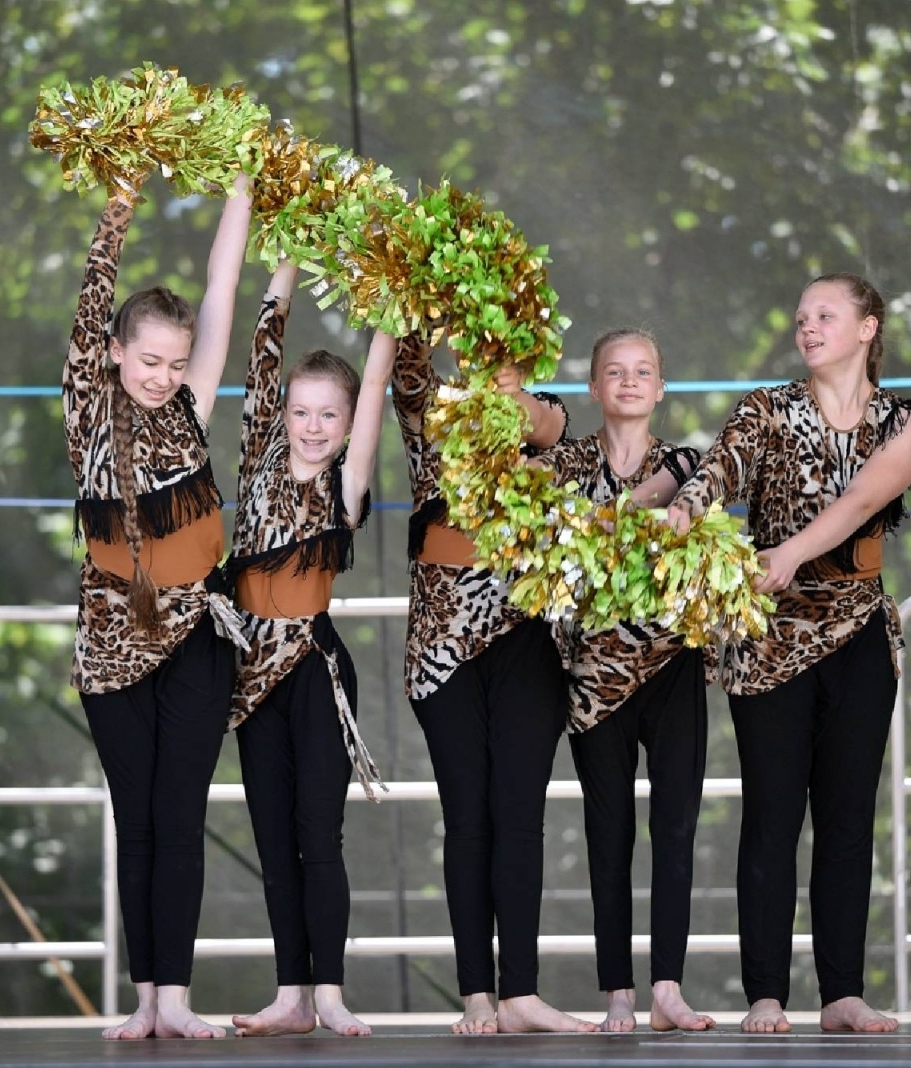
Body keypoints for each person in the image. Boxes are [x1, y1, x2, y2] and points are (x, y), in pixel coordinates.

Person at [667, 273, 911, 1034]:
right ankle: (766, 996)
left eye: (825, 314)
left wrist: (786, 552)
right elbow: (719, 469)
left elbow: (862, 502)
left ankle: (843, 992)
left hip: (857, 631)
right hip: (772, 636)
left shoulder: (906, 419)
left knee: (848, 817)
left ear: (867, 328)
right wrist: (685, 511)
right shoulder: (766, 409)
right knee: (772, 816)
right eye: (800, 317)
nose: (806, 326)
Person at [64, 177, 253, 1040]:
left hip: (196, 638)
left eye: (176, 363)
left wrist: (244, 184)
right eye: (148, 360)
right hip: (111, 640)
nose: (162, 376)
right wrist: (121, 202)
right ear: (111, 351)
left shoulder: (189, 406)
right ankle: (144, 1001)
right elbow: (92, 295)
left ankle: (173, 998)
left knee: (180, 815)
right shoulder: (86, 408)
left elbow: (222, 291)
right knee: (135, 816)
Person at [392, 337, 599, 1035]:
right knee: (468, 819)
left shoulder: (545, 418)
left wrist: (508, 390)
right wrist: (420, 287)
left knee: (519, 816)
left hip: (525, 639)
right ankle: (476, 993)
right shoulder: (429, 410)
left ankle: (521, 993)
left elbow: (550, 424)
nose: (485, 360)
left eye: (502, 350)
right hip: (443, 648)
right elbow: (406, 367)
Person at [224, 260, 397, 1038]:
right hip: (250, 679)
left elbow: (368, 422)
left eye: (331, 414)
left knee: (316, 836)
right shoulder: (257, 457)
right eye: (303, 411)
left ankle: (328, 990)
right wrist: (286, 264)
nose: (315, 426)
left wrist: (392, 306)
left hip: (315, 672)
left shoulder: (344, 488)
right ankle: (290, 993)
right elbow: (263, 349)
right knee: (271, 837)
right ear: (283, 414)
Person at [533, 328, 714, 1033]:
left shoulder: (692, 465)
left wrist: (614, 522)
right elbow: (556, 549)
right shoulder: (563, 466)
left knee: (674, 828)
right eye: (616, 371)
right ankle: (618, 994)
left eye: (643, 372)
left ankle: (667, 986)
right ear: (594, 387)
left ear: (661, 388)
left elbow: (686, 524)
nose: (631, 382)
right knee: (608, 833)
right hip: (592, 676)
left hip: (672, 667)